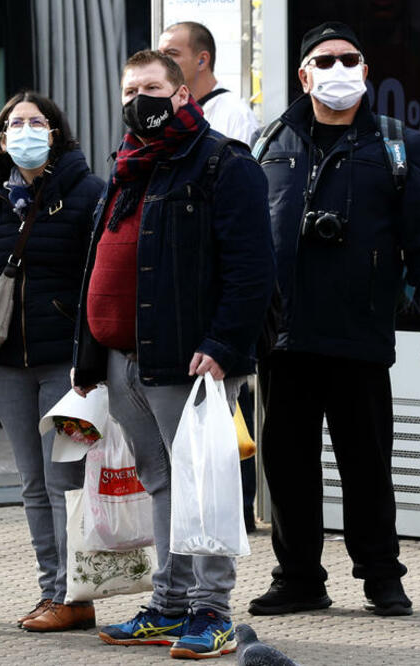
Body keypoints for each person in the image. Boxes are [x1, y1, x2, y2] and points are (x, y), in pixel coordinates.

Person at [248, 22, 420, 618]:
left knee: (366, 465)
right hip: (284, 338)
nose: (338, 69)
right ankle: (298, 580)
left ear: (365, 71)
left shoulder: (399, 145)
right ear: (304, 75)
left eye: (349, 59)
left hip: (360, 334)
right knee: (287, 468)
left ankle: (381, 578)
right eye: (325, 60)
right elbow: (246, 242)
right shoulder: (270, 142)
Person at [72, 50, 275, 660]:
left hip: (190, 361)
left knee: (203, 485)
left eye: (153, 87)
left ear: (182, 94)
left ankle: (211, 611)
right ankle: (169, 604)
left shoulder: (223, 164)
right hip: (123, 359)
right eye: (131, 89)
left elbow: (252, 271)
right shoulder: (130, 168)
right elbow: (98, 265)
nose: (141, 99)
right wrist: (88, 361)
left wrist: (221, 346)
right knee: (162, 483)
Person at [0, 91, 103, 632]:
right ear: (1, 139)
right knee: (32, 484)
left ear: (55, 132)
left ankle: (74, 595)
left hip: (66, 366)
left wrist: (92, 356)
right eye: (14, 124)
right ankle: (52, 590)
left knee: (65, 482)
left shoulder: (87, 194)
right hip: (7, 364)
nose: (24, 131)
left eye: (36, 122)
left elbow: (99, 281)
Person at [158, 20, 263, 533]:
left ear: (202, 59)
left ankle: (235, 512)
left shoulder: (228, 114)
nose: (165, 58)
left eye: (172, 52)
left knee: (226, 423)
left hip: (215, 298)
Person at [158, 21, 260, 147]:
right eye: (159, 56)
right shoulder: (164, 113)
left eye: (171, 54)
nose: (161, 63)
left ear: (202, 60)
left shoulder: (236, 115)